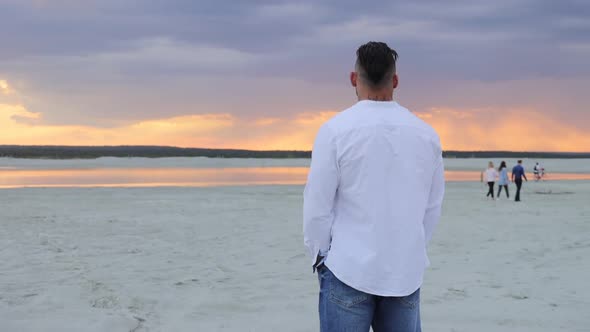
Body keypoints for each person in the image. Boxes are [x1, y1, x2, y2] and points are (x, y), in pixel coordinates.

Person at [303, 41, 444, 332]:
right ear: (395, 81)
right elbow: (431, 208)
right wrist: (410, 249)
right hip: (404, 271)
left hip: (347, 268)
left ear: (354, 79)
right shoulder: (426, 135)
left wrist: (320, 256)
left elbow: (318, 206)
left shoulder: (335, 130)